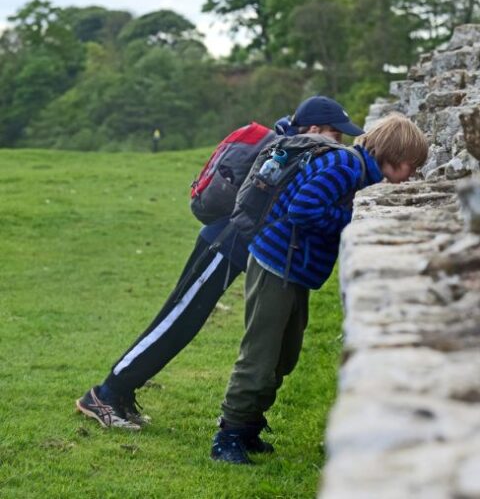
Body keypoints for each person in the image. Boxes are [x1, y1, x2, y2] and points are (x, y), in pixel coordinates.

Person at [75, 96, 366, 430]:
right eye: (337, 134)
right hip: (225, 242)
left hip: (231, 242)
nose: (340, 142)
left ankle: (120, 395)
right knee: (179, 319)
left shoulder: (295, 148)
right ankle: (105, 394)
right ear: (315, 128)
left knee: (182, 319)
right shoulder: (289, 149)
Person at [210, 113, 429, 464]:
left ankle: (249, 424)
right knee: (261, 354)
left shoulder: (358, 171)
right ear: (393, 156)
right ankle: (229, 433)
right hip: (275, 262)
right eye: (411, 167)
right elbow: (303, 210)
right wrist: (354, 222)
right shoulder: (345, 167)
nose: (412, 177)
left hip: (293, 269)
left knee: (286, 354)